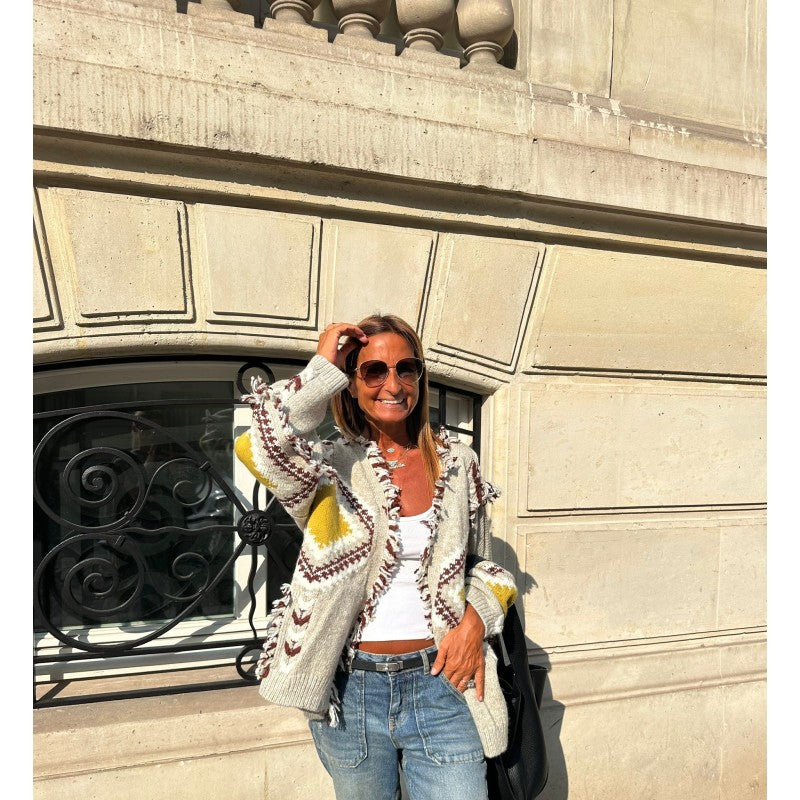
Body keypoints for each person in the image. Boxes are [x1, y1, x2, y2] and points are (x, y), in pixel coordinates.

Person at [235, 314, 518, 800]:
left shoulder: (457, 462)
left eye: (406, 369)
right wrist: (323, 368)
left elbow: (483, 565)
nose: (393, 384)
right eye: (373, 371)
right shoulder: (328, 467)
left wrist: (475, 621)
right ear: (350, 383)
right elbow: (258, 447)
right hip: (352, 692)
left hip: (443, 683)